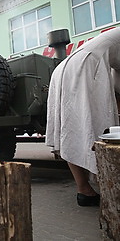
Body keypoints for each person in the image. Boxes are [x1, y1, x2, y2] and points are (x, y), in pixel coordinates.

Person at [45, 27, 120, 207]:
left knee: (70, 129)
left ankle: (84, 190)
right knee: (97, 126)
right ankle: (110, 189)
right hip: (85, 65)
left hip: (64, 68)